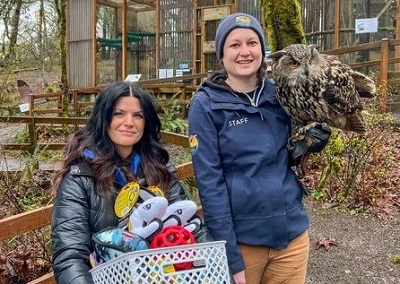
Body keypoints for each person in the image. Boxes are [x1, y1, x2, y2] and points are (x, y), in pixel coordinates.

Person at [188, 13, 331, 284]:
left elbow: (290, 152)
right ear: (221, 54)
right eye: (235, 45)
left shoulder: (281, 92)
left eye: (252, 43)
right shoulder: (206, 105)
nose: (245, 52)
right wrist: (228, 254)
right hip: (244, 243)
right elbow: (210, 183)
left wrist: (309, 143)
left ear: (262, 49)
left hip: (292, 238)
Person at [51, 81, 208, 284]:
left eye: (138, 115)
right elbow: (70, 256)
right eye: (119, 114)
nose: (129, 122)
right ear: (103, 118)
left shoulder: (159, 169)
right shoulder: (80, 179)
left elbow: (190, 225)